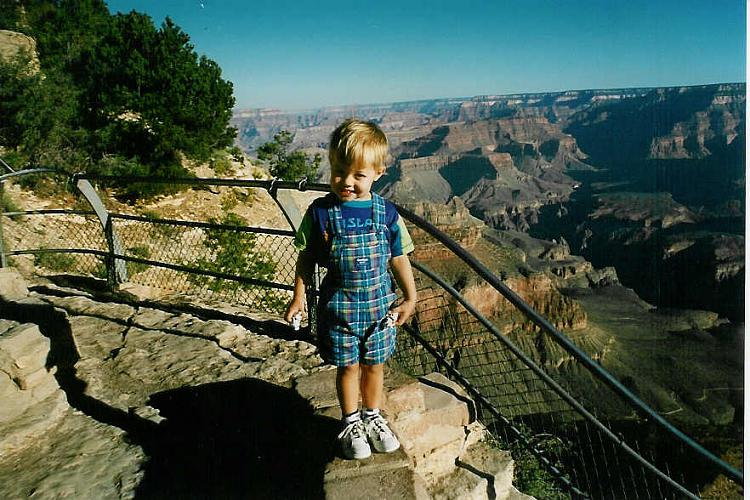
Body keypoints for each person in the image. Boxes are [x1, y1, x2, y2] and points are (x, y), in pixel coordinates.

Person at [285, 118, 417, 460]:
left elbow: (399, 257)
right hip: (339, 310)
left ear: (378, 172)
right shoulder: (320, 214)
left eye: (358, 175)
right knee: (348, 367)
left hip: (379, 311)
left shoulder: (386, 213)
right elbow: (306, 259)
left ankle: (372, 416)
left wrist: (411, 298)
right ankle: (350, 421)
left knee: (375, 365)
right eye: (339, 172)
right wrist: (298, 297)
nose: (346, 182)